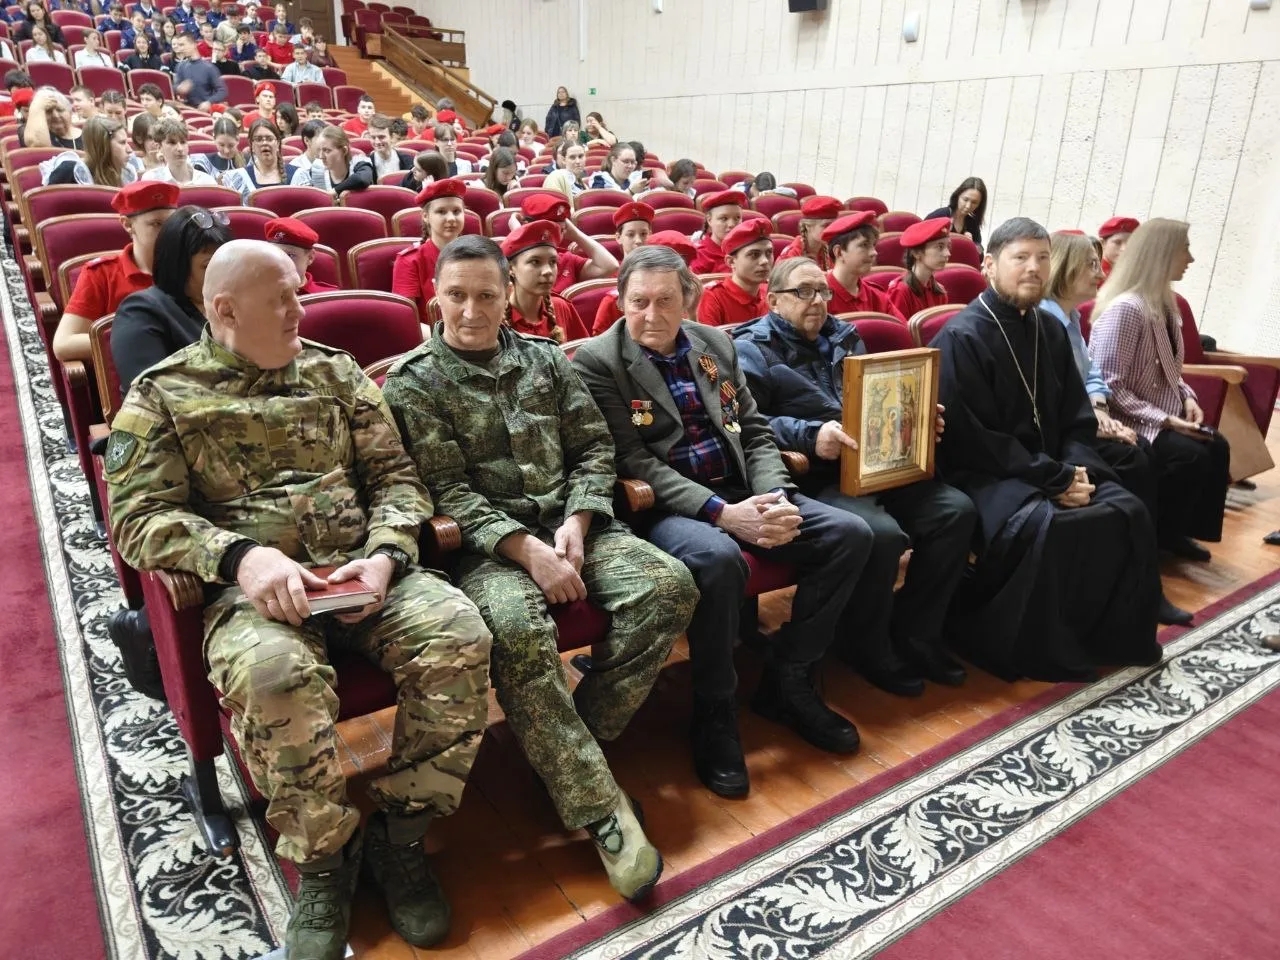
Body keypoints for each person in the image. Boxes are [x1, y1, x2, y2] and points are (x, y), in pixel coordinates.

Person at [105, 239, 492, 958]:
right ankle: (324, 859)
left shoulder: (335, 372)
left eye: (297, 292)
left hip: (363, 575)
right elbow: (134, 519)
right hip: (254, 598)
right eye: (281, 297)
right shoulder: (163, 394)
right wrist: (239, 557)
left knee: (461, 634)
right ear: (225, 310)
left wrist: (386, 555)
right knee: (274, 677)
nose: (299, 308)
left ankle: (402, 834)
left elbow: (397, 478)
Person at [382, 234, 696, 901]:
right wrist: (527, 550)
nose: (471, 310)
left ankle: (569, 744)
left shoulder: (547, 360)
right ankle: (602, 810)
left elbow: (594, 449)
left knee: (669, 588)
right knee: (520, 632)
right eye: (456, 295)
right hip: (484, 553)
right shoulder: (412, 381)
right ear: (435, 296)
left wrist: (577, 523)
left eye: (486, 295)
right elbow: (445, 491)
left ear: (508, 295)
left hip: (573, 528)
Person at [572, 245, 871, 798]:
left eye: (665, 301)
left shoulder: (715, 343)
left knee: (849, 535)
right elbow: (632, 462)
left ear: (688, 299)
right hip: (665, 506)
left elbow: (753, 430)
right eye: (638, 302)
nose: (651, 315)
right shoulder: (598, 361)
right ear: (620, 301)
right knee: (718, 559)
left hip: (742, 487)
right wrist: (724, 515)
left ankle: (790, 679)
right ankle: (715, 710)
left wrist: (775, 497)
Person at [931, 217, 1163, 681]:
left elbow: (1076, 415)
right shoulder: (962, 337)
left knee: (1127, 508)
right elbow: (973, 438)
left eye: (1042, 258)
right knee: (1050, 526)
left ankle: (1105, 637)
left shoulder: (1049, 330)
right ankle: (1037, 649)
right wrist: (1053, 478)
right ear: (989, 265)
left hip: (1053, 466)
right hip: (986, 473)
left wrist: (1074, 469)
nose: (1034, 268)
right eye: (1020, 258)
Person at [732, 257, 976, 693]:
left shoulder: (845, 336)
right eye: (803, 292)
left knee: (954, 511)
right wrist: (811, 436)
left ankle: (915, 632)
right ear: (773, 300)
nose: (817, 300)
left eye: (822, 291)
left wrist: (917, 417)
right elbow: (748, 423)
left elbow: (875, 399)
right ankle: (866, 644)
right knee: (881, 533)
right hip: (815, 476)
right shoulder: (751, 348)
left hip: (873, 463)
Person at [1040, 232, 1193, 626]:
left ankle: (1142, 572)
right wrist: (1094, 422)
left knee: (1139, 451)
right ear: (1065, 269)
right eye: (1090, 266)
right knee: (1133, 459)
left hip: (1079, 419)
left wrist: (1098, 408)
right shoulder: (1044, 319)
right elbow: (1050, 397)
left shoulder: (1069, 317)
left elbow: (1092, 375)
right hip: (1055, 435)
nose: (1100, 273)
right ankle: (1138, 582)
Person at [1088, 218, 1230, 564]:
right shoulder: (1126, 308)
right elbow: (1109, 385)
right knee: (1189, 455)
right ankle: (1154, 535)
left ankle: (1177, 530)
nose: (1191, 259)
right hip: (1124, 417)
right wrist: (1166, 420)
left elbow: (1170, 369)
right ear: (1162, 254)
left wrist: (1187, 396)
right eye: (1185, 250)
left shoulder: (1165, 303)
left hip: (1157, 410)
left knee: (1217, 445)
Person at [51, 181, 178, 365]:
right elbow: (64, 343)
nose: (167, 232)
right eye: (156, 224)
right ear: (127, 224)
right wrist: (138, 342)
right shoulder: (101, 274)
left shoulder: (189, 267)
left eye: (171, 223)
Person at [111, 205, 233, 388]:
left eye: (227, 263)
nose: (223, 273)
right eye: (208, 265)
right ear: (178, 266)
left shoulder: (237, 302)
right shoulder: (141, 311)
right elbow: (150, 391)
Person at [591, 230, 697, 336]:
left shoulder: (691, 292)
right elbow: (602, 342)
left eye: (665, 299)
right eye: (639, 301)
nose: (652, 317)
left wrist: (692, 313)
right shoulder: (613, 301)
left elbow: (694, 338)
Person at [499, 221, 589, 342]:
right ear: (510, 268)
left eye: (553, 262)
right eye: (535, 262)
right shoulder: (496, 317)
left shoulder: (561, 307)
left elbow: (579, 350)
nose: (548, 271)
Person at [392, 177, 467, 311]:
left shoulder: (476, 256)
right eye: (441, 211)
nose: (451, 218)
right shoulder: (409, 260)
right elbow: (407, 317)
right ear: (425, 216)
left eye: (456, 211)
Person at [823, 212, 905, 320]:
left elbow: (902, 329)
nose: (874, 252)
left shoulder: (876, 296)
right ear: (838, 252)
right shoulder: (818, 297)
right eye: (864, 245)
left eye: (873, 245)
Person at [697, 219, 775, 328]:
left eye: (769, 253)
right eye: (754, 254)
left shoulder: (771, 292)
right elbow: (708, 338)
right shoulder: (713, 297)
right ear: (731, 262)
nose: (764, 261)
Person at [42, 115, 142, 187]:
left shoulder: (126, 172)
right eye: (122, 143)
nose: (130, 150)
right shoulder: (68, 172)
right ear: (104, 146)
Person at [886, 217, 952, 320]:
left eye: (948, 246)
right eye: (940, 247)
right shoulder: (900, 292)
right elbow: (898, 328)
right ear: (917, 253)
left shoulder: (940, 291)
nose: (947, 253)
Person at [264, 216, 337, 294]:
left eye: (290, 255)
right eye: (273, 254)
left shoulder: (327, 296)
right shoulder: (257, 295)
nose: (280, 263)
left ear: (310, 257)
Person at [141, 118, 219, 185]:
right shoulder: (152, 180)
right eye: (172, 143)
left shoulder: (206, 181)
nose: (180, 149)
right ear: (159, 147)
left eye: (183, 142)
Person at [775, 196, 841, 270]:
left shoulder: (831, 250)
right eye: (826, 225)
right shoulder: (791, 256)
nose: (832, 229)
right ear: (807, 226)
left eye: (834, 224)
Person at [308, 125, 374, 197]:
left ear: (344, 150)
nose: (321, 156)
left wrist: (335, 191)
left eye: (327, 150)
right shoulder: (317, 169)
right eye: (319, 150)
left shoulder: (359, 163)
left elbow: (361, 179)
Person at [688, 191, 745, 274]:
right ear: (709, 220)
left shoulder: (748, 249)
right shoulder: (699, 256)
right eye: (724, 218)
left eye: (737, 218)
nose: (732, 224)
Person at [926, 176, 987, 250]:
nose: (968, 206)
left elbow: (980, 253)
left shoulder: (972, 224)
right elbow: (920, 240)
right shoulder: (940, 215)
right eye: (965, 199)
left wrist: (972, 245)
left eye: (974, 202)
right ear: (958, 196)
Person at [172, 31, 227, 110]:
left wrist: (209, 102)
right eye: (179, 45)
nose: (180, 49)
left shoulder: (209, 67)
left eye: (182, 45)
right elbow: (175, 87)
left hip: (205, 109)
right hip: (187, 108)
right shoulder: (180, 66)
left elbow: (222, 91)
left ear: (194, 45)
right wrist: (179, 88)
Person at [191, 115, 244, 183]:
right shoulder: (202, 163)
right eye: (221, 145)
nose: (226, 151)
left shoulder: (248, 160)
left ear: (238, 140)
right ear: (214, 139)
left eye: (231, 145)